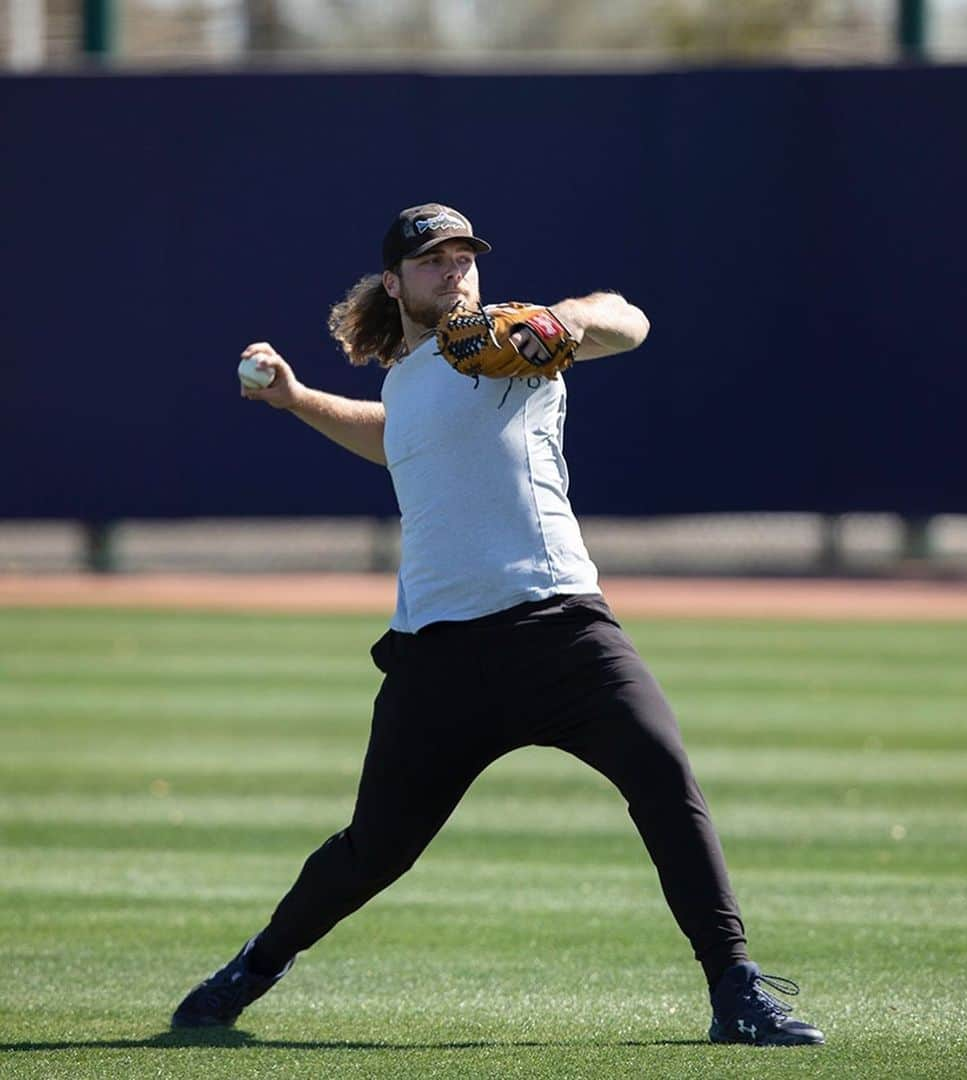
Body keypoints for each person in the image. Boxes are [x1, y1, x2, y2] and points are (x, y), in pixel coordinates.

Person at [171, 203, 824, 1047]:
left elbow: (630, 321)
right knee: (375, 850)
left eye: (463, 256)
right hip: (441, 658)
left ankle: (736, 990)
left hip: (563, 630)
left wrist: (569, 319)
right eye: (434, 260)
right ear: (395, 282)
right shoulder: (406, 380)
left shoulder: (515, 343)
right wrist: (296, 400)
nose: (455, 271)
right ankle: (251, 968)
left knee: (665, 778)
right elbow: (396, 438)